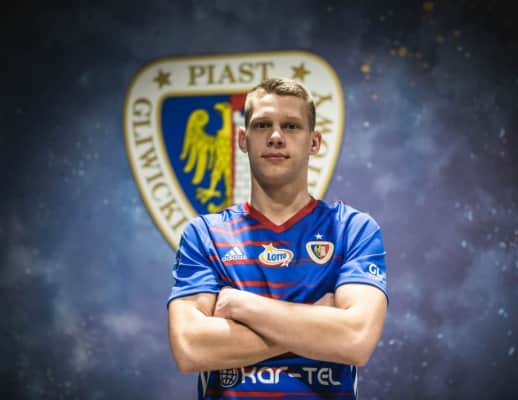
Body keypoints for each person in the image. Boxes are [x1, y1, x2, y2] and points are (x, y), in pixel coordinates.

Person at [167, 77, 388, 399]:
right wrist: (318, 321)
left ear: (314, 142)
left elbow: (355, 341)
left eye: (291, 126)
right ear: (242, 139)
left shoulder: (353, 230)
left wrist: (241, 305)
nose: (275, 137)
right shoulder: (205, 235)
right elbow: (190, 348)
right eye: (262, 125)